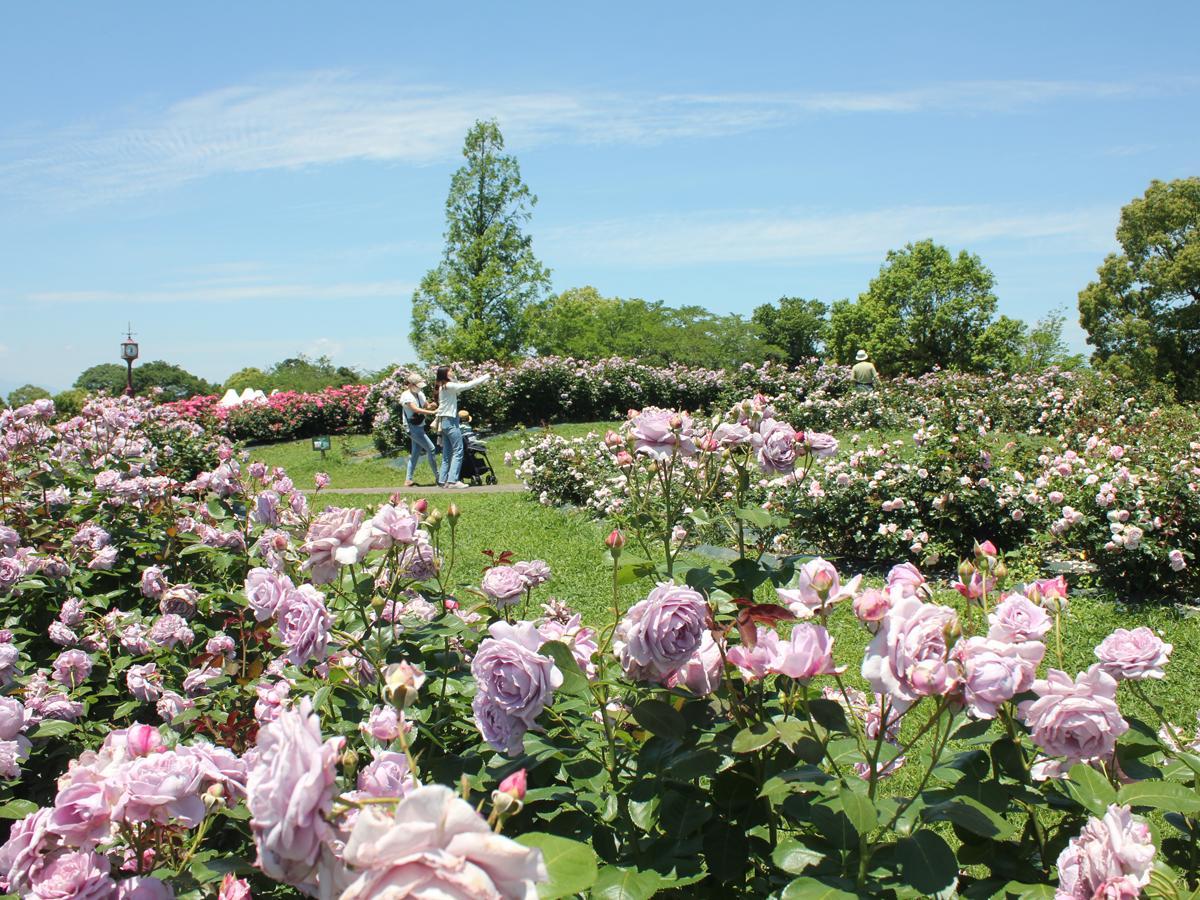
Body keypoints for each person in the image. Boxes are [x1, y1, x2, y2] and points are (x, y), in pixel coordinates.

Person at [432, 365, 491, 489]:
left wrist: (454, 378)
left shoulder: (443, 386)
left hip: (444, 422)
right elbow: (466, 386)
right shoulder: (448, 386)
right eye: (450, 371)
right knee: (459, 451)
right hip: (451, 421)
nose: (453, 372)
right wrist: (484, 377)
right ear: (445, 374)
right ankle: (453, 481)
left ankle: (443, 481)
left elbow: (458, 390)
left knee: (447, 453)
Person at [400, 373, 439, 487]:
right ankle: (438, 476)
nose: (420, 388)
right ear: (411, 385)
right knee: (431, 448)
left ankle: (408, 480)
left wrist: (433, 405)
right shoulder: (406, 395)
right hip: (412, 427)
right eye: (418, 385)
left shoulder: (419, 394)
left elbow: (426, 406)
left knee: (416, 453)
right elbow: (415, 409)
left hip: (420, 425)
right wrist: (432, 412)